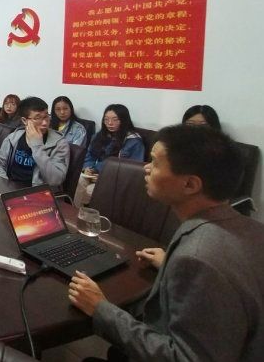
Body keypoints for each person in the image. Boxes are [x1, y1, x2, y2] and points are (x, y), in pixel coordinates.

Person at [68, 124, 264, 362]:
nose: (146, 168)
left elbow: (184, 357)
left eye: (155, 162)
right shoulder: (253, 231)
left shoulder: (197, 258)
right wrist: (171, 264)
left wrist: (101, 309)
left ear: (190, 185)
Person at [75, 104, 144, 207]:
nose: (110, 123)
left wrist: (102, 175)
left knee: (90, 190)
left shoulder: (133, 141)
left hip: (115, 179)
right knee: (79, 180)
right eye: (106, 119)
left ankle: (84, 212)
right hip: (94, 174)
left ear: (124, 120)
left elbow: (133, 171)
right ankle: (75, 212)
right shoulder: (100, 136)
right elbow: (90, 155)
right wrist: (87, 168)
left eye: (115, 120)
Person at [0, 97, 69, 187]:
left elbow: (56, 180)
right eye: (38, 118)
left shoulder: (59, 143)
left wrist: (37, 145)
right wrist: (5, 184)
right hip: (10, 188)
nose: (44, 123)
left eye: (46, 116)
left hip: (38, 191)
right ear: (25, 121)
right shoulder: (14, 137)